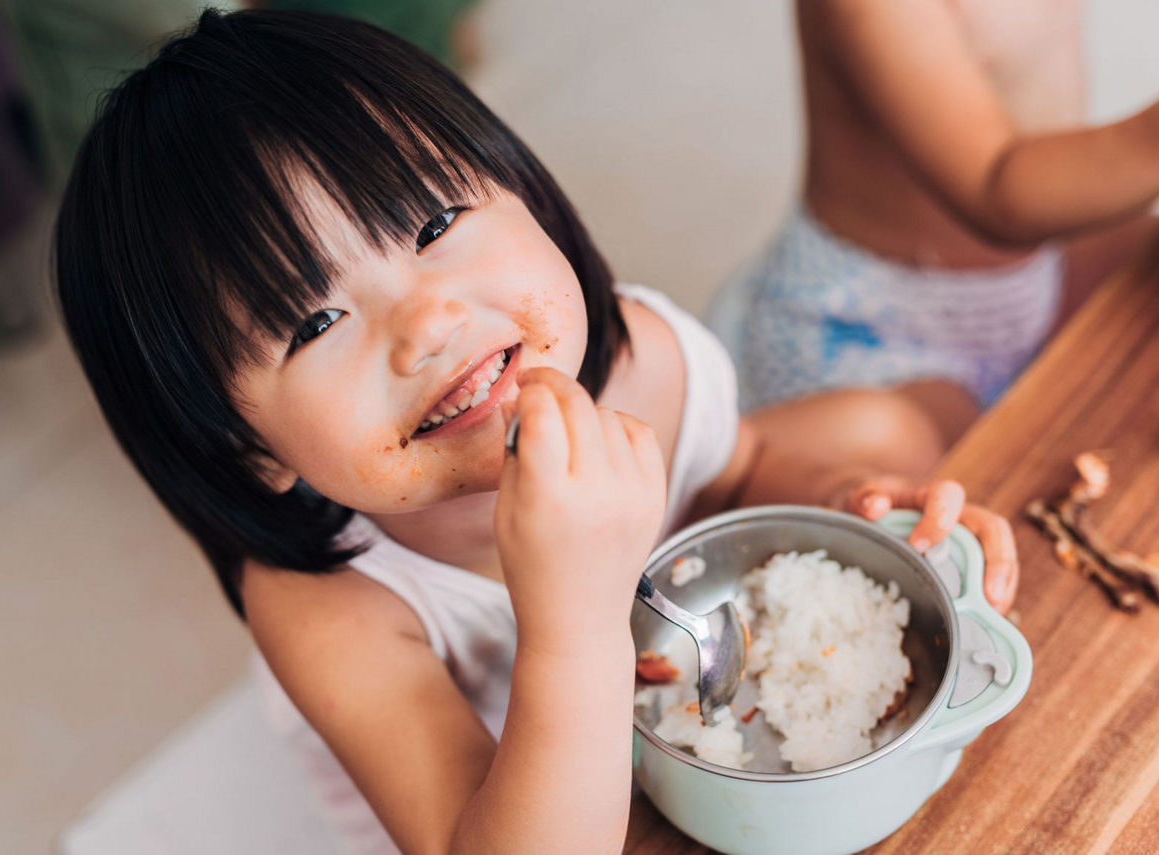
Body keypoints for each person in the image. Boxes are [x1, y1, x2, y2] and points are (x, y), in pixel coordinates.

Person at [53, 10, 1018, 853]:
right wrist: (574, 619)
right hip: (520, 808)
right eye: (313, 324)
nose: (427, 322)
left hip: (690, 697)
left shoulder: (643, 359)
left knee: (887, 426)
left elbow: (742, 469)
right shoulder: (330, 608)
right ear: (248, 445)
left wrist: (842, 500)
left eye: (431, 225)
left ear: (523, 185)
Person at [709, 0, 1159, 445]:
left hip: (1033, 275)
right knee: (922, 459)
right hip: (879, 332)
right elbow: (996, 189)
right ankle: (722, 457)